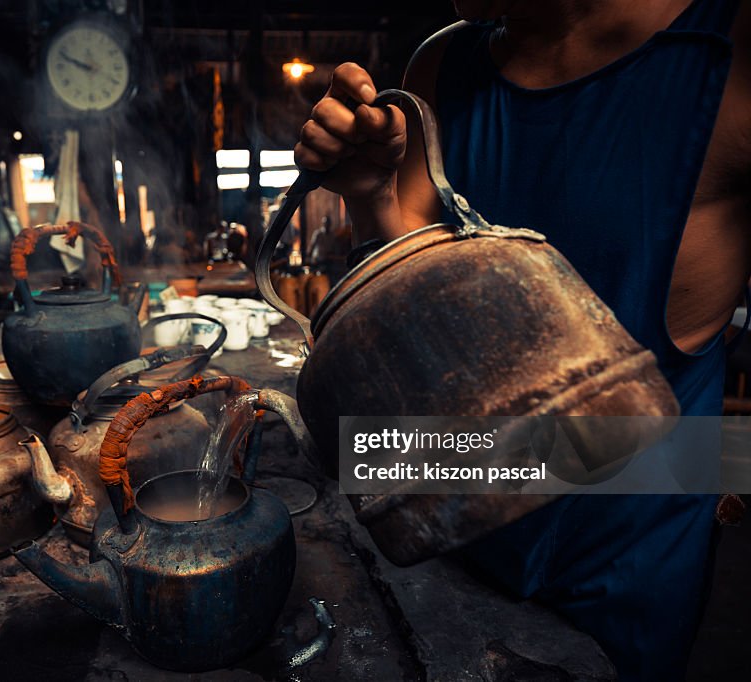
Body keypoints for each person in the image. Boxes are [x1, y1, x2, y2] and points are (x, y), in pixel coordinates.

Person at [295, 1, 748, 680]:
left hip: (625, 565)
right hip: (454, 544)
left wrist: (722, 460)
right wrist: (367, 196)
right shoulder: (443, 63)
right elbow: (418, 313)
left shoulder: (731, 52)